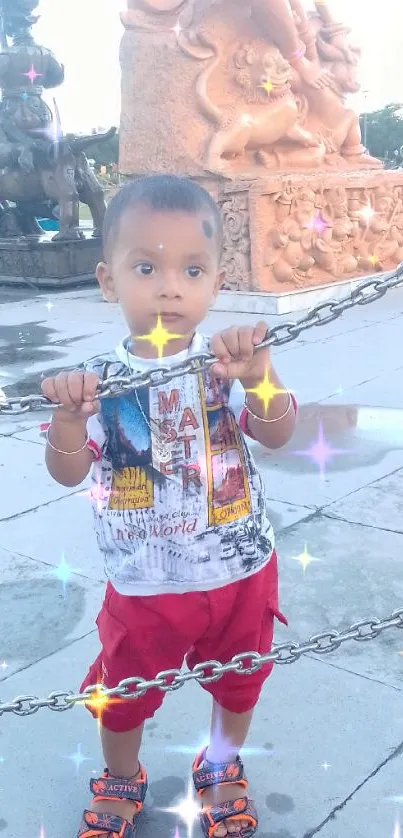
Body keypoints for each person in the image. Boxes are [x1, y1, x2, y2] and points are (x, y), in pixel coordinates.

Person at [41, 174, 297, 838]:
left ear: (215, 283)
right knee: (123, 697)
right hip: (144, 584)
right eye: (146, 266)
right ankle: (122, 775)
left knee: (239, 684)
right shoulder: (97, 382)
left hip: (239, 573)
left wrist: (261, 376)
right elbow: (67, 473)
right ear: (107, 280)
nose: (168, 286)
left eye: (191, 268)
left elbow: (275, 434)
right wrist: (70, 421)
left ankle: (219, 763)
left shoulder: (225, 368)